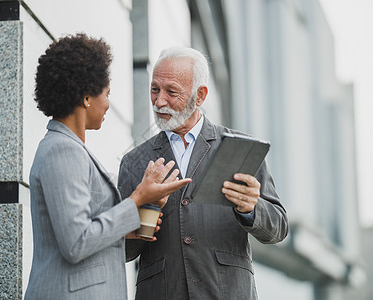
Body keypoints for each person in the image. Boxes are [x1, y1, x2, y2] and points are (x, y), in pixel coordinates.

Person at [24, 34, 191, 300]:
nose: (108, 104)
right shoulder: (62, 150)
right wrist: (137, 198)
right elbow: (76, 243)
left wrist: (144, 213)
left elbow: (88, 232)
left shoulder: (72, 150)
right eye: (107, 94)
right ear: (87, 97)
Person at [118, 46, 288, 299]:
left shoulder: (240, 149)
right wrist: (146, 212)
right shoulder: (134, 161)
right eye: (155, 89)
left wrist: (251, 208)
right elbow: (122, 250)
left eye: (171, 92)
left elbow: (279, 228)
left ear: (200, 95)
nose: (159, 101)